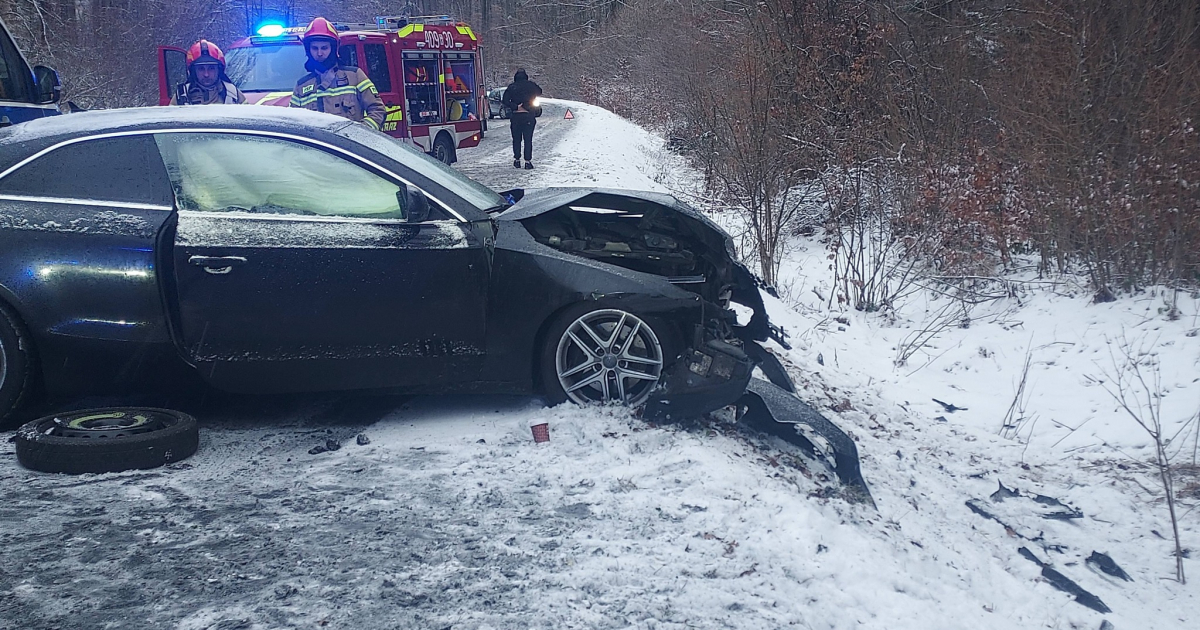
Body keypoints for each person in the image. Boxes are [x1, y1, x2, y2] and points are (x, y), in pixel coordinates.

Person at [289, 17, 386, 131]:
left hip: (349, 148)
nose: (319, 53)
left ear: (334, 48)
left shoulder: (355, 76)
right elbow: (292, 124)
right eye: (315, 48)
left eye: (324, 48)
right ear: (308, 50)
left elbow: (378, 110)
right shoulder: (301, 87)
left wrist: (361, 134)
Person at [171, 40, 246, 106]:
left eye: (211, 68)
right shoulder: (181, 96)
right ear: (193, 71)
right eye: (201, 69)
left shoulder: (233, 94)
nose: (206, 74)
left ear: (219, 70)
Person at [502, 68, 543, 169]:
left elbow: (505, 100)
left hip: (516, 116)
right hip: (528, 115)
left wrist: (515, 106)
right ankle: (528, 161)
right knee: (528, 139)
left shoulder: (512, 87)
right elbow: (539, 92)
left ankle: (517, 159)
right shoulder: (531, 85)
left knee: (516, 139)